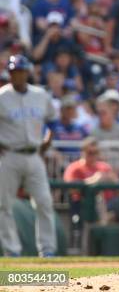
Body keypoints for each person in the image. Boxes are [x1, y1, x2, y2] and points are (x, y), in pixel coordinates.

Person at [0, 55, 57, 257]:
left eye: (21, 71)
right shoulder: (2, 96)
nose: (18, 75)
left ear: (27, 72)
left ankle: (47, 250)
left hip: (34, 155)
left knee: (44, 201)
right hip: (9, 155)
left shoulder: (40, 94)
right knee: (3, 205)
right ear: (10, 73)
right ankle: (12, 251)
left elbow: (52, 120)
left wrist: (48, 140)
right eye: (15, 71)